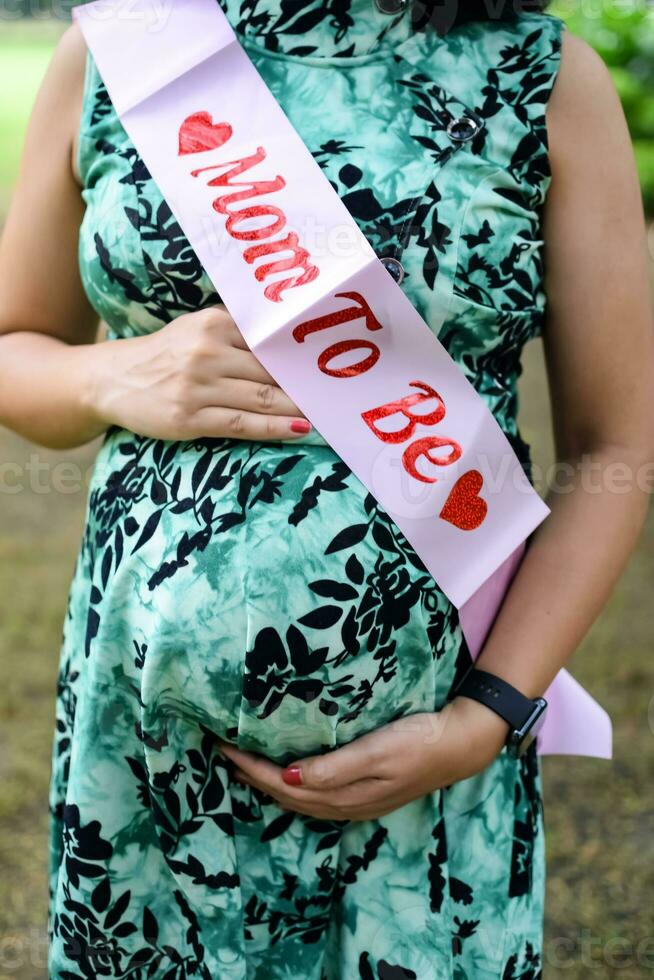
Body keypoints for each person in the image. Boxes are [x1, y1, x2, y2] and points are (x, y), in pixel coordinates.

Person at [0, 0, 652, 976]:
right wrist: (109, 375)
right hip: (145, 765)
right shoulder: (117, 51)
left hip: (429, 775)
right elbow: (15, 351)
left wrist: (481, 720)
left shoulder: (542, 80)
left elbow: (615, 449)